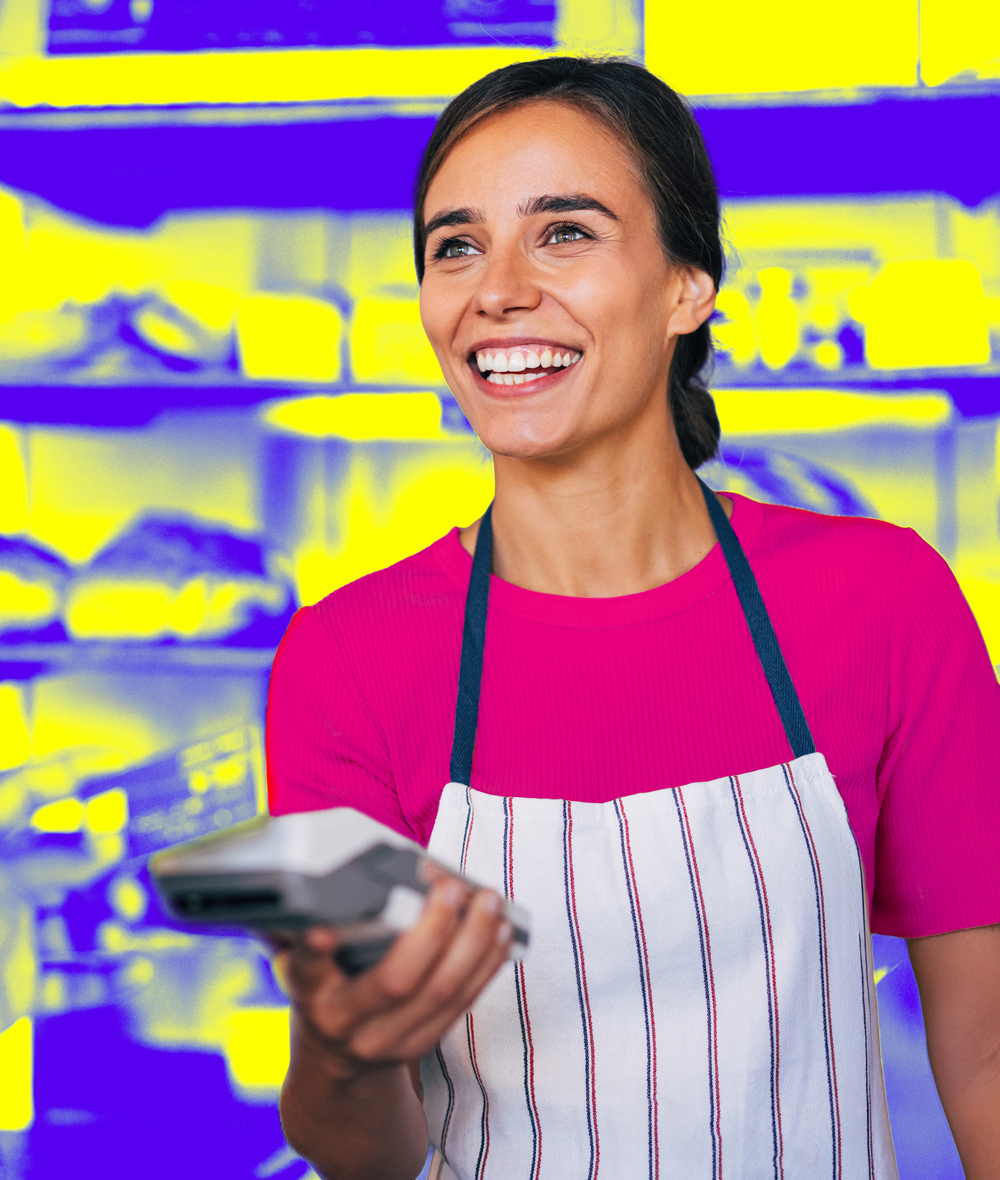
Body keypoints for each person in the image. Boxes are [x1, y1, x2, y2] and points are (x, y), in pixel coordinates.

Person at [264, 57, 1000, 1180]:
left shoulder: (881, 601)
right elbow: (364, 1152)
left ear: (685, 287)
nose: (496, 288)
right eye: (454, 245)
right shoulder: (350, 659)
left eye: (562, 231)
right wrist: (341, 1046)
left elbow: (987, 1053)